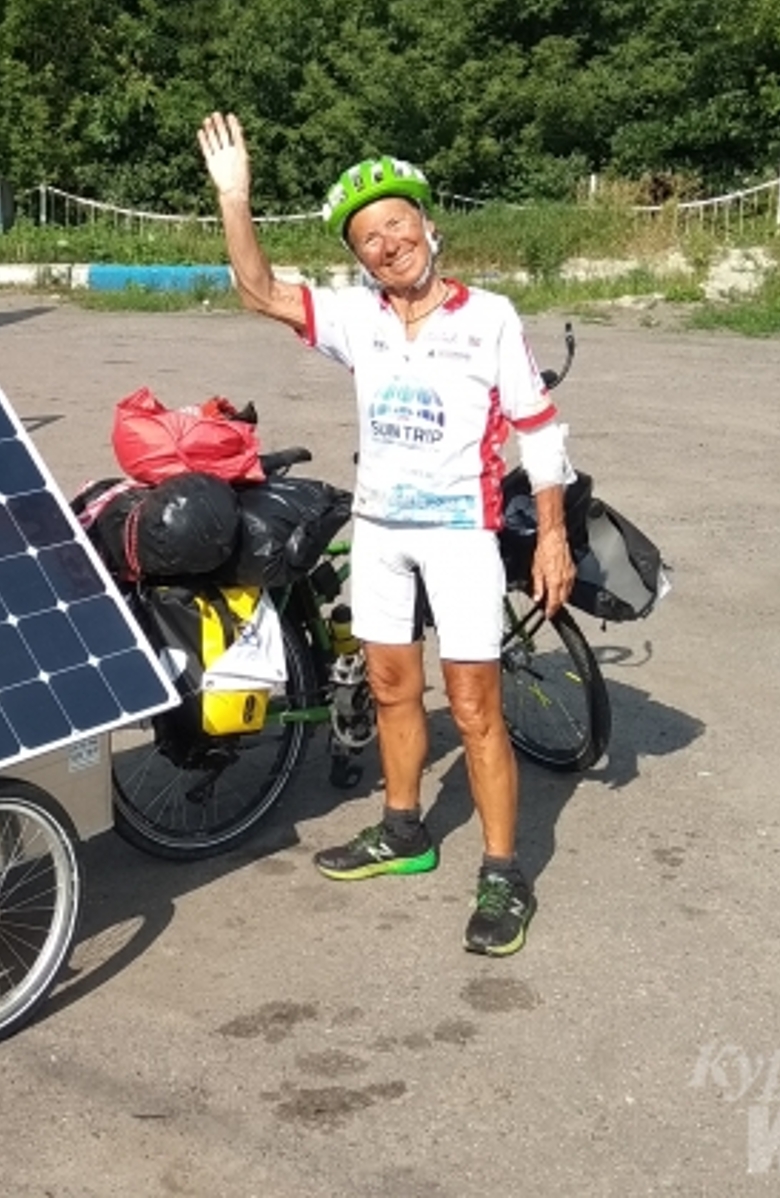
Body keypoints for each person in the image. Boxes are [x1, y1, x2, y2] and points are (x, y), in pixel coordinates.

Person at [196, 111, 576, 956]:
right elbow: (259, 290)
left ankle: (504, 872)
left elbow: (539, 430)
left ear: (429, 227)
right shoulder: (357, 319)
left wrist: (550, 536)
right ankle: (404, 829)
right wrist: (235, 199)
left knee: (475, 708)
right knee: (394, 690)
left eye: (397, 225)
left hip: (459, 537)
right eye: (368, 238)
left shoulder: (491, 318)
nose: (386, 244)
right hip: (381, 535)